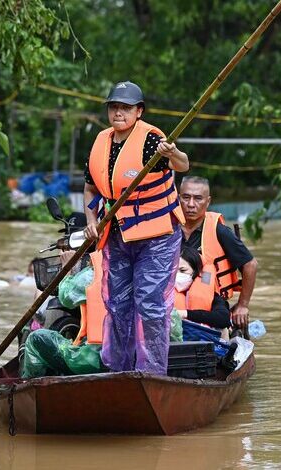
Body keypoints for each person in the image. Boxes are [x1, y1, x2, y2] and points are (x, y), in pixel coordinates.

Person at [83, 81, 189, 375]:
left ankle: (153, 374)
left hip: (156, 238)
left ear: (138, 111)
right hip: (118, 235)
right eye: (114, 107)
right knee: (117, 305)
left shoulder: (152, 141)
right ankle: (117, 370)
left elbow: (183, 165)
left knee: (151, 305)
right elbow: (90, 189)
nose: (119, 113)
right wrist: (91, 221)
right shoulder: (101, 142)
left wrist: (172, 153)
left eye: (126, 108)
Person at [178, 176, 257, 330]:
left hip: (211, 304)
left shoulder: (219, 231)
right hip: (172, 302)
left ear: (208, 202)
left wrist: (242, 305)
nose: (191, 204)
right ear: (178, 198)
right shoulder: (167, 228)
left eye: (198, 199)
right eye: (186, 198)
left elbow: (250, 264)